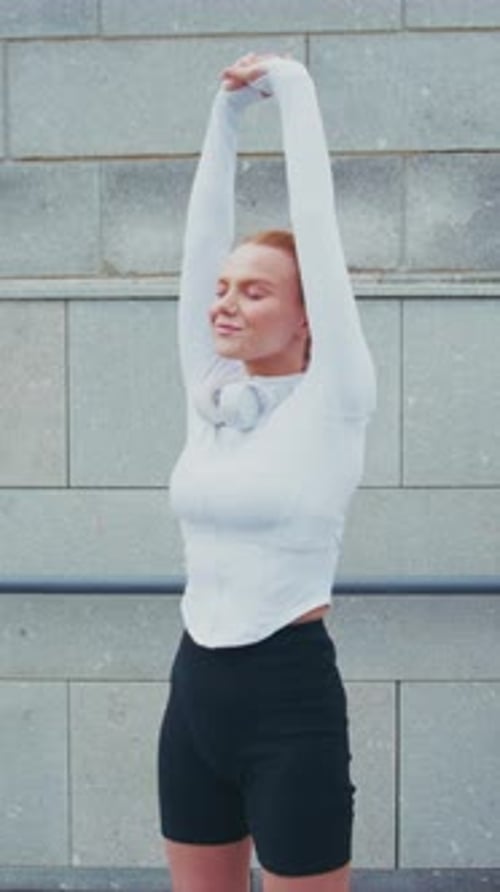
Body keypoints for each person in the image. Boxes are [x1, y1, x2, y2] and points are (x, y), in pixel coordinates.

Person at [157, 52, 376, 892]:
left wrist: (293, 91)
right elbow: (197, 242)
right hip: (194, 691)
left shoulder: (335, 399)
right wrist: (224, 120)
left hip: (288, 699)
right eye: (224, 289)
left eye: (254, 292)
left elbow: (317, 234)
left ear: (306, 313)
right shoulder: (211, 393)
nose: (224, 303)